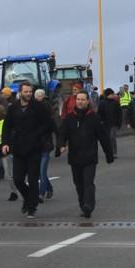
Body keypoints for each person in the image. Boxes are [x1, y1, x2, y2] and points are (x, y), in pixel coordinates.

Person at [56, 90, 114, 218]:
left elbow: (103, 137)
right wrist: (61, 146)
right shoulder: (69, 118)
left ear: (88, 101)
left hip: (90, 157)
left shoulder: (94, 118)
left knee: (88, 183)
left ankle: (88, 205)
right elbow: (62, 134)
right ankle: (83, 205)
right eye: (78, 99)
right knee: (78, 184)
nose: (80, 102)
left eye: (83, 99)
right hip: (75, 158)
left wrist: (108, 154)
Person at [2, 81, 54, 219]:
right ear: (20, 92)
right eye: (26, 92)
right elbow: (6, 126)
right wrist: (5, 143)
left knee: (32, 179)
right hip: (18, 148)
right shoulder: (13, 108)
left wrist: (37, 134)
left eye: (30, 91)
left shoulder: (38, 107)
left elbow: (49, 123)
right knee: (18, 179)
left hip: (34, 149)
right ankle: (28, 198)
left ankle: (32, 208)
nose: (29, 94)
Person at [35, 89, 58, 202]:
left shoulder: (49, 117)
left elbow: (56, 131)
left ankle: (41, 193)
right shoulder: (32, 116)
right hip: (35, 147)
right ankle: (49, 188)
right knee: (39, 172)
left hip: (45, 146)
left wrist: (60, 145)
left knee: (42, 171)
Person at [97, 88, 123, 158]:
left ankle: (114, 153)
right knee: (107, 139)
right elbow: (99, 114)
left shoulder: (116, 103)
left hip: (114, 124)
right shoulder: (102, 103)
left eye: (113, 94)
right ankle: (109, 152)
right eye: (112, 94)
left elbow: (120, 114)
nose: (113, 95)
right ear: (108, 95)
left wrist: (119, 123)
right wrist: (100, 122)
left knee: (112, 137)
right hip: (105, 124)